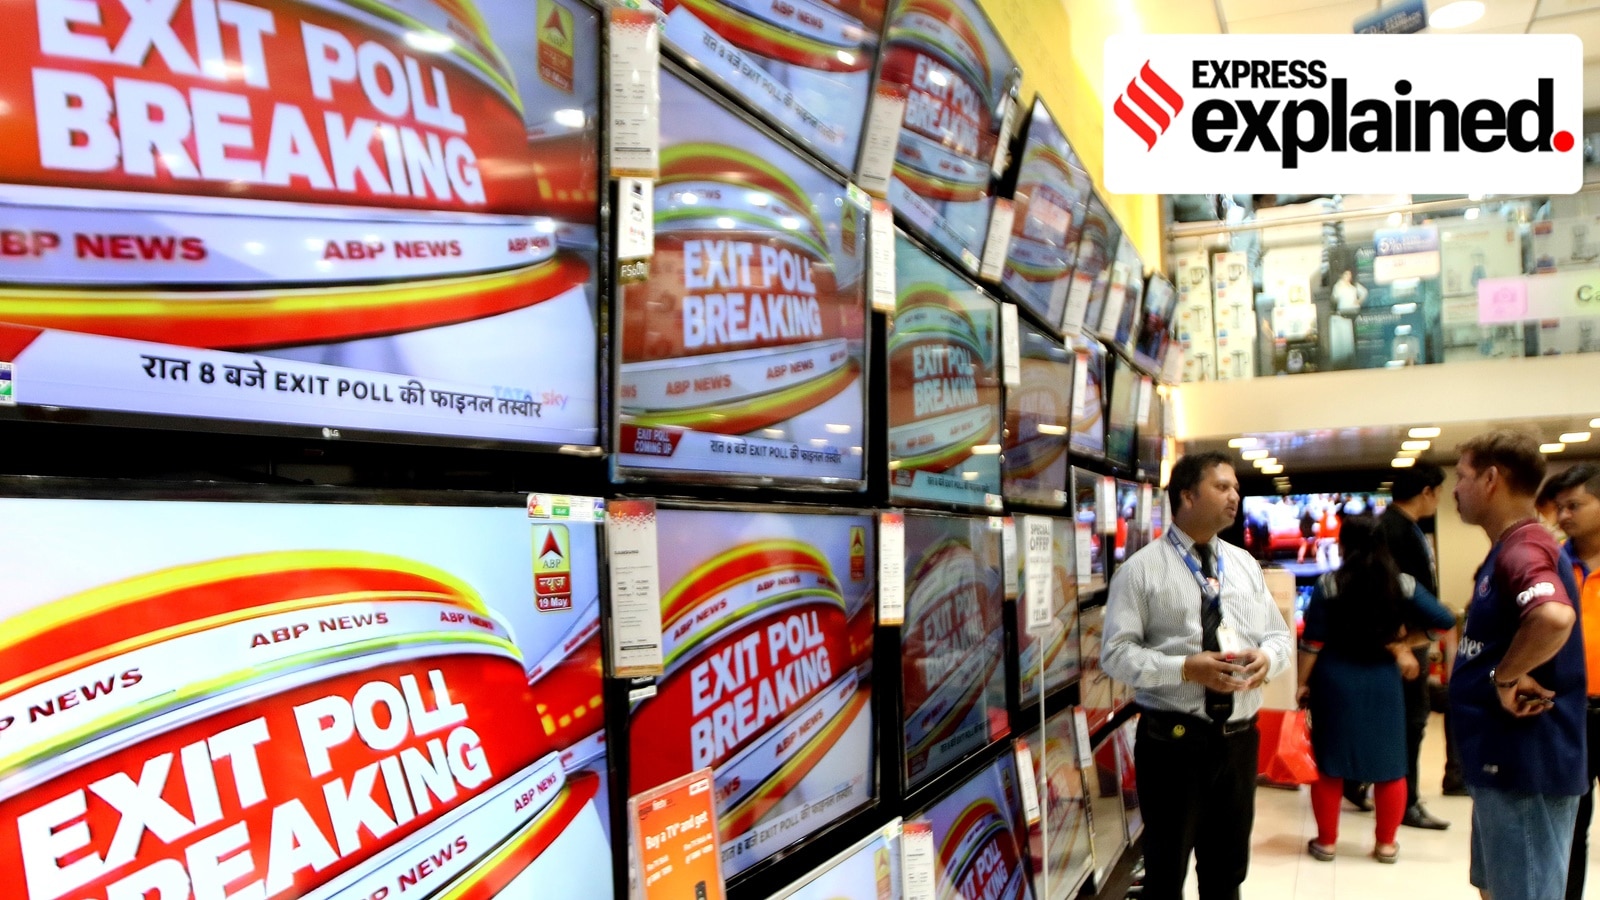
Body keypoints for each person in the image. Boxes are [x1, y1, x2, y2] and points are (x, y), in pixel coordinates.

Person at [1102, 451, 1293, 900]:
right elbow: (1115, 655)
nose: (1235, 496)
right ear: (1187, 495)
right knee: (1165, 873)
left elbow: (1280, 638)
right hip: (1172, 743)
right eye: (1222, 487)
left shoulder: (1244, 564)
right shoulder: (1140, 571)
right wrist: (1186, 668)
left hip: (1240, 740)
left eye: (1236, 488)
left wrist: (1268, 658)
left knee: (1227, 873)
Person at [1450, 430, 1586, 900]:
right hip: (1501, 763)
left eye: (1463, 477)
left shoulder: (1525, 549)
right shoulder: (1507, 549)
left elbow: (1552, 616)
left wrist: (1504, 676)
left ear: (1492, 479)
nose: (1455, 489)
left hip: (1527, 765)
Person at [1299, 515, 1456, 862]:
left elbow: (1313, 641)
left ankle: (1326, 843)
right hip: (1383, 681)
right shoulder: (1403, 584)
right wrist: (1409, 643)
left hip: (1335, 678)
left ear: (1343, 545)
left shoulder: (1329, 584)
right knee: (1391, 766)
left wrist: (1300, 683)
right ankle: (1385, 844)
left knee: (1330, 765)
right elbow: (1444, 621)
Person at [1342, 461, 1454, 828]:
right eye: (1438, 492)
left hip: (1407, 641)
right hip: (1402, 644)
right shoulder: (1394, 530)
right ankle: (1403, 800)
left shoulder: (1403, 527)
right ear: (1426, 492)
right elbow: (1382, 592)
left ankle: (1362, 783)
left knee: (1402, 719)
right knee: (1410, 720)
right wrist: (1401, 641)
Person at [1555, 465, 1600, 900]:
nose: (1564, 515)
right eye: (1560, 506)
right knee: (1570, 825)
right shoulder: (1551, 564)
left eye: (1575, 505)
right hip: (1569, 713)